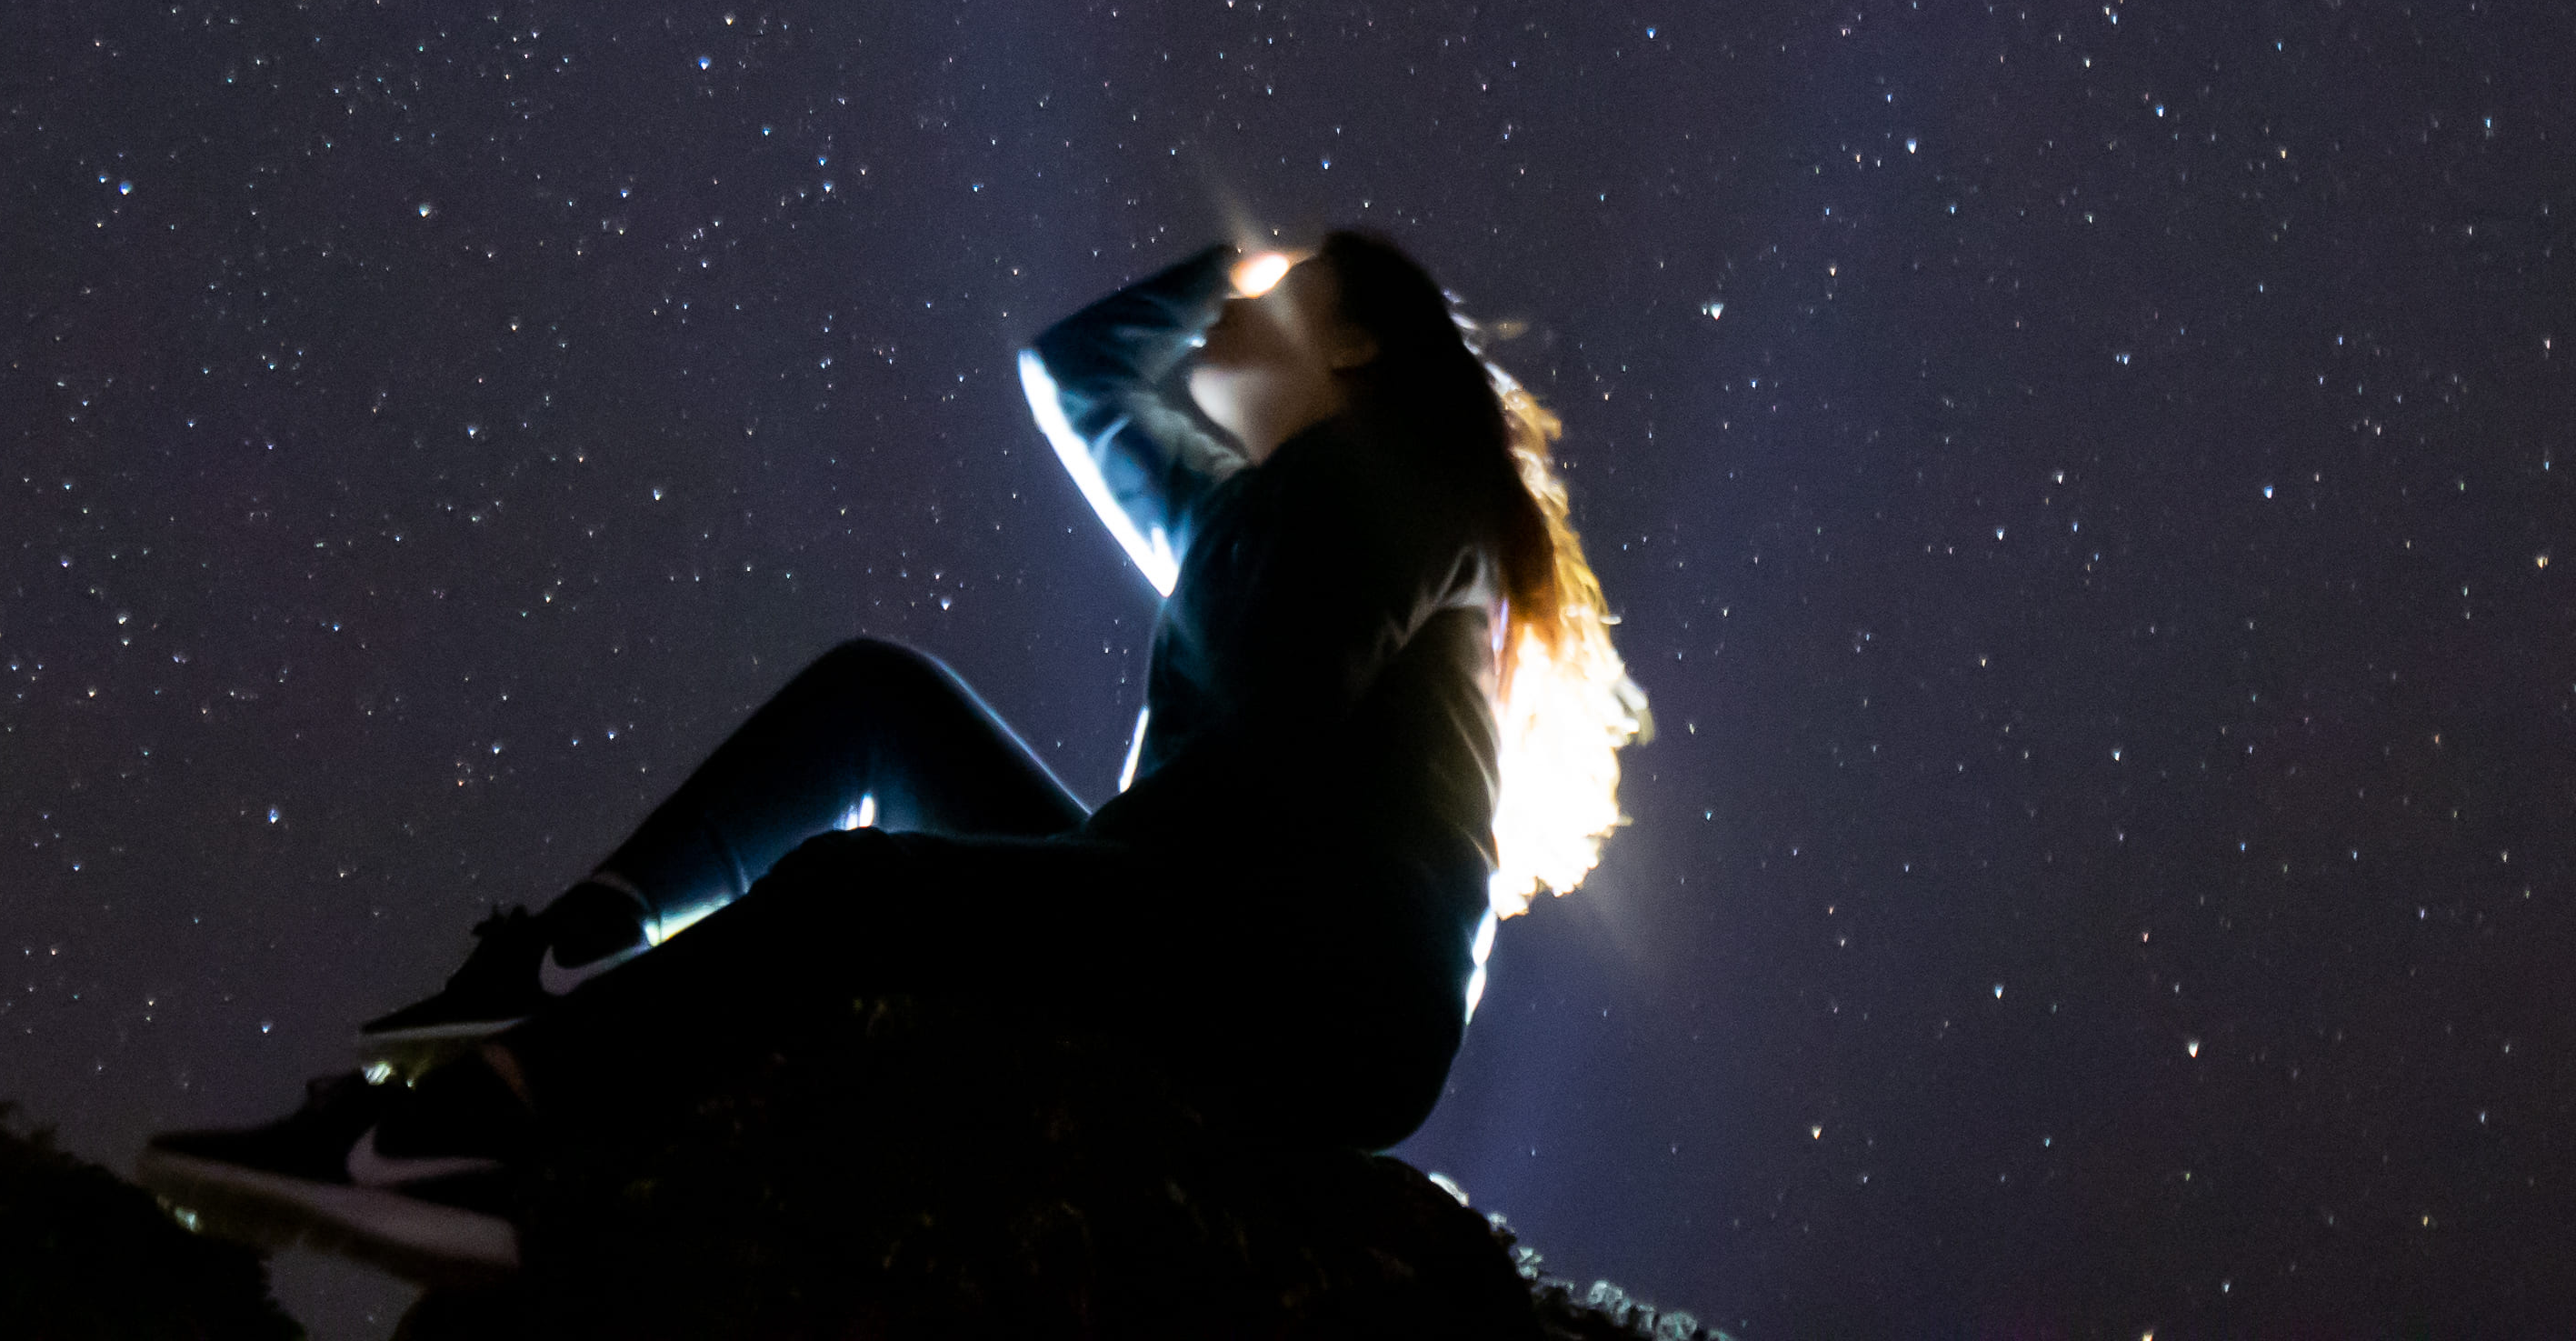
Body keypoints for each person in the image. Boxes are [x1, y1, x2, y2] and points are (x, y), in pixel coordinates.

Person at [141, 225, 1648, 1285]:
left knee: (858, 893)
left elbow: (1269, 749)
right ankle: (557, 964)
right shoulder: (1257, 510)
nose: (1228, 325)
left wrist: (989, 904)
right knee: (883, 698)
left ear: (1364, 344)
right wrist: (1238, 274)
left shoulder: (1389, 487)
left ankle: (452, 1151)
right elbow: (1079, 371)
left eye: (1289, 296)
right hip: (1206, 900)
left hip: (1302, 980)